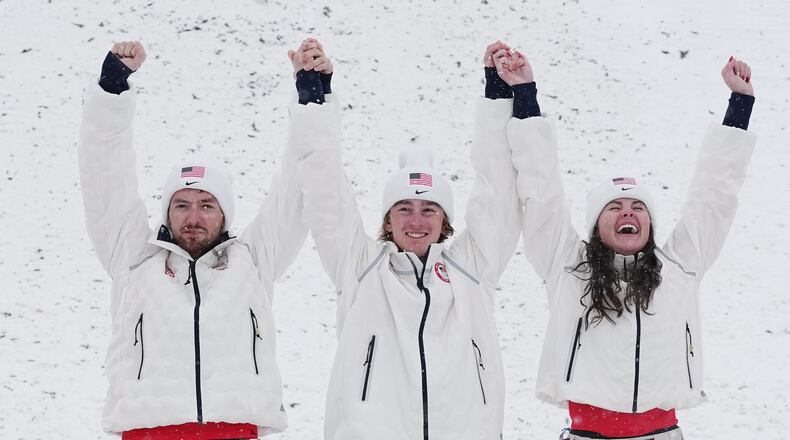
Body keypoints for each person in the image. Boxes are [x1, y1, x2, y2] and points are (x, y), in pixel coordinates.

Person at [502, 51, 756, 439]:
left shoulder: (680, 267)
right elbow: (541, 191)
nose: (629, 213)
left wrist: (739, 106)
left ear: (650, 223)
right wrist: (524, 94)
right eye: (615, 207)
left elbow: (714, 198)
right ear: (596, 223)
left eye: (639, 207)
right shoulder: (567, 267)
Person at [287, 38, 530, 439]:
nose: (416, 220)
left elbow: (498, 191)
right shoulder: (359, 266)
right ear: (387, 218)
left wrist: (499, 94)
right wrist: (315, 95)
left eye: (429, 209)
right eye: (404, 208)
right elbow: (324, 185)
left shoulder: (471, 268)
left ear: (444, 220)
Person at [79, 41, 317, 439]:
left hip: (234, 428)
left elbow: (297, 190)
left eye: (206, 205)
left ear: (225, 214)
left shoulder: (253, 260)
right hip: (148, 429)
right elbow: (105, 177)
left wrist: (311, 98)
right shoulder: (135, 259)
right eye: (181, 204)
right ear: (166, 213)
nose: (192, 217)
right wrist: (112, 89)